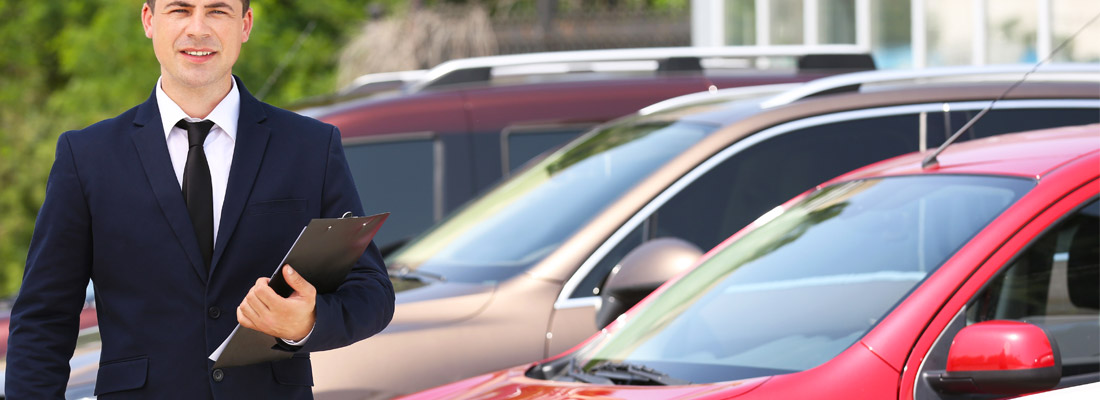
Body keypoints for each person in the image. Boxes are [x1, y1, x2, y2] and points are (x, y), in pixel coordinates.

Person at [5, 0, 395, 398]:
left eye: (217, 11)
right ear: (148, 20)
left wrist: (309, 321)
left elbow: (372, 293)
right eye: (179, 10)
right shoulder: (87, 156)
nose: (198, 28)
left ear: (245, 24)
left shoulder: (310, 146)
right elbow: (43, 318)